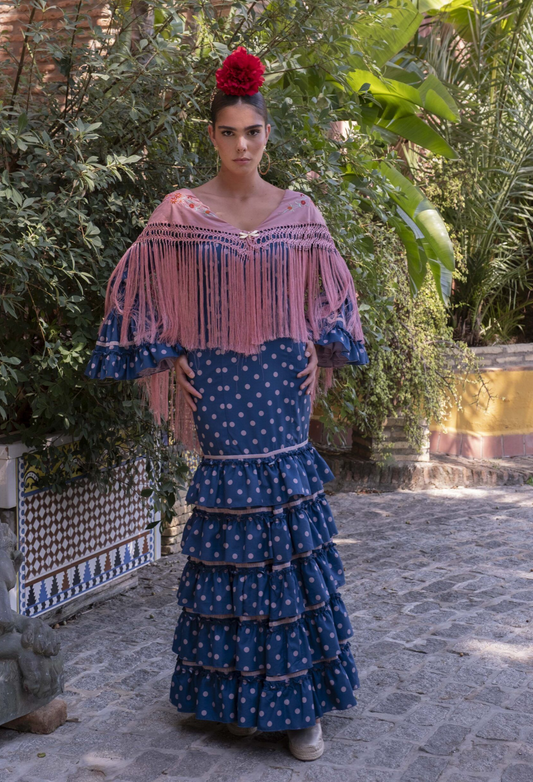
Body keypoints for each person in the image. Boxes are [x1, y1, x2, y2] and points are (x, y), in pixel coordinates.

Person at [85, 46, 369, 762]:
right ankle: (233, 692)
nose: (241, 144)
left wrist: (313, 343)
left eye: (253, 132)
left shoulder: (299, 212)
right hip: (215, 381)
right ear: (210, 136)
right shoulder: (179, 213)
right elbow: (138, 286)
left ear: (266, 135)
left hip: (279, 381)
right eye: (228, 132)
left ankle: (299, 707)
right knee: (231, 527)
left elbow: (328, 292)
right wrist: (169, 351)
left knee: (288, 524)